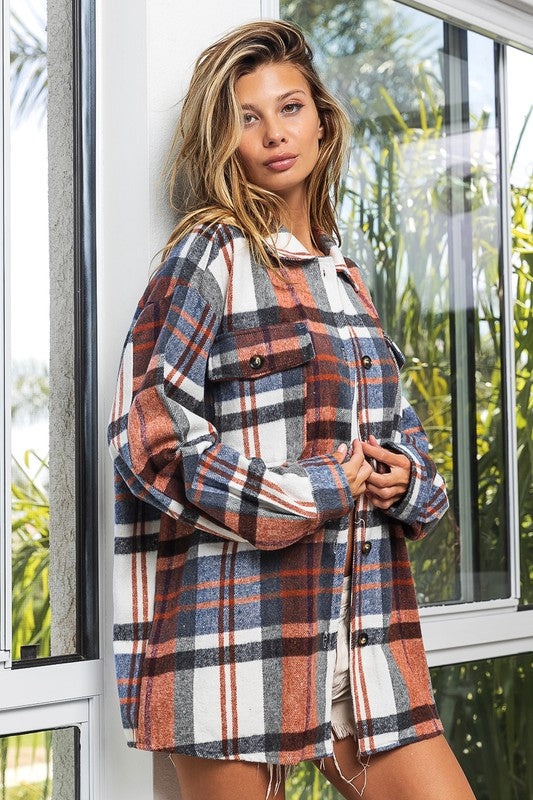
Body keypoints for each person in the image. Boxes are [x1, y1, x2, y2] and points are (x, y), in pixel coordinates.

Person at [107, 19, 477, 800]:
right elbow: (150, 443)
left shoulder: (346, 279)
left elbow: (414, 460)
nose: (274, 133)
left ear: (322, 119)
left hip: (364, 642)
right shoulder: (207, 254)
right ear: (223, 138)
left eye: (290, 107)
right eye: (247, 117)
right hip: (232, 635)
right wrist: (317, 491)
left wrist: (398, 480)